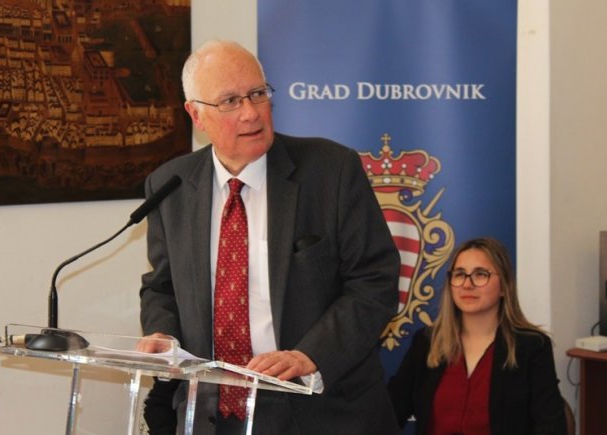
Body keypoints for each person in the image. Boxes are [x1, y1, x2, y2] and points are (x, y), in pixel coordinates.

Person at [137, 39, 401, 435]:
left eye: (258, 94)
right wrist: (163, 335)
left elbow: (374, 282)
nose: (251, 112)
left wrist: (310, 355)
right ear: (196, 114)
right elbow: (161, 287)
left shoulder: (331, 172)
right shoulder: (169, 186)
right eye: (230, 101)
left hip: (318, 409)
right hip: (210, 414)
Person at [388, 237, 567, 435]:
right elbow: (389, 413)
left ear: (504, 286)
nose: (467, 284)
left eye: (480, 274)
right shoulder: (427, 341)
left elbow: (551, 426)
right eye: (459, 274)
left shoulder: (531, 346)